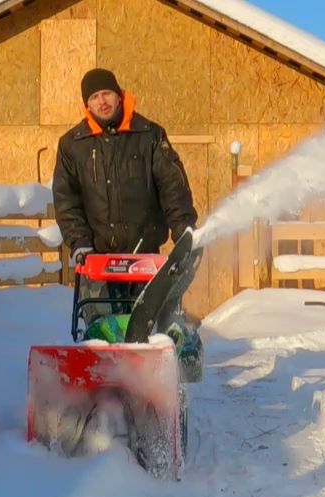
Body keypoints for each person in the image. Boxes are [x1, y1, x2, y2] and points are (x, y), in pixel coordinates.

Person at [52, 68, 202, 377]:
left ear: (119, 95)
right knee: (100, 334)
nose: (102, 101)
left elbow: (172, 187)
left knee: (149, 333)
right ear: (86, 105)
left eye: (106, 93)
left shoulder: (149, 135)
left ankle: (156, 388)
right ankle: (102, 393)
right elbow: (67, 201)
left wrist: (183, 230)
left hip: (145, 259)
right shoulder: (72, 145)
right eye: (94, 97)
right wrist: (79, 243)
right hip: (97, 260)